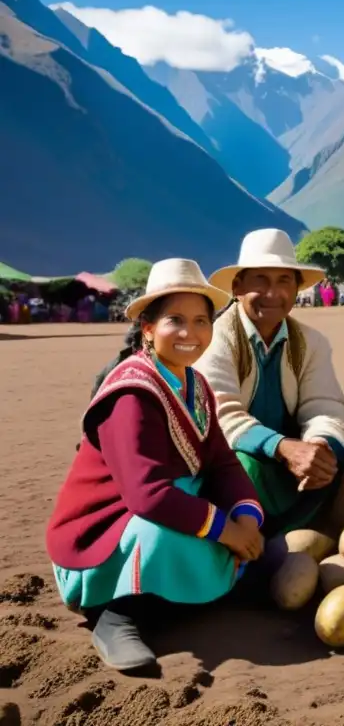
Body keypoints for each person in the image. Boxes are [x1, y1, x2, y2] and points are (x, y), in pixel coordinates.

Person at [46, 259, 265, 672]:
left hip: (165, 507)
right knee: (165, 538)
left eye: (202, 321)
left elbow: (220, 461)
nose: (190, 333)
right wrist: (226, 530)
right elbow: (146, 494)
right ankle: (117, 616)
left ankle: (193, 589)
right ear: (148, 328)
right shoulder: (130, 392)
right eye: (175, 320)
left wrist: (245, 519)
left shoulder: (195, 385)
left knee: (235, 518)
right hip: (106, 533)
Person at [195, 229, 344, 540]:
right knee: (244, 469)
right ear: (237, 287)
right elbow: (221, 414)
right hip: (241, 458)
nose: (273, 293)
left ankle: (308, 537)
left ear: (296, 289)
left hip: (291, 460)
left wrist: (319, 445)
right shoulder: (217, 339)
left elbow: (326, 405)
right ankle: (251, 541)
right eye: (261, 280)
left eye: (284, 281)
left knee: (340, 456)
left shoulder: (310, 342)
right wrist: (281, 447)